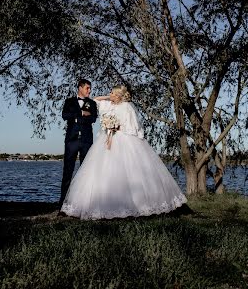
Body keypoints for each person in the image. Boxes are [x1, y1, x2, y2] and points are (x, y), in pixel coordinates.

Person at [60, 84, 187, 219]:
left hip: (123, 140)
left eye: (113, 93)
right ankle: (102, 205)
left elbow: (133, 127)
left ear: (119, 95)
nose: (110, 95)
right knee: (104, 172)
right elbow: (96, 100)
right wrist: (110, 97)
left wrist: (117, 127)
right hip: (107, 139)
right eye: (110, 93)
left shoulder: (127, 107)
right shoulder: (109, 105)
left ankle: (135, 205)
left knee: (126, 172)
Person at [59, 78, 98, 208]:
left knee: (85, 171)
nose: (89, 90)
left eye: (90, 88)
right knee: (67, 171)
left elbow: (93, 118)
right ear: (80, 88)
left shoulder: (92, 103)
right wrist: (81, 112)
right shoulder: (69, 101)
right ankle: (63, 203)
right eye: (87, 88)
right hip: (71, 140)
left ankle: (84, 204)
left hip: (86, 140)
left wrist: (77, 117)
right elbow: (65, 115)